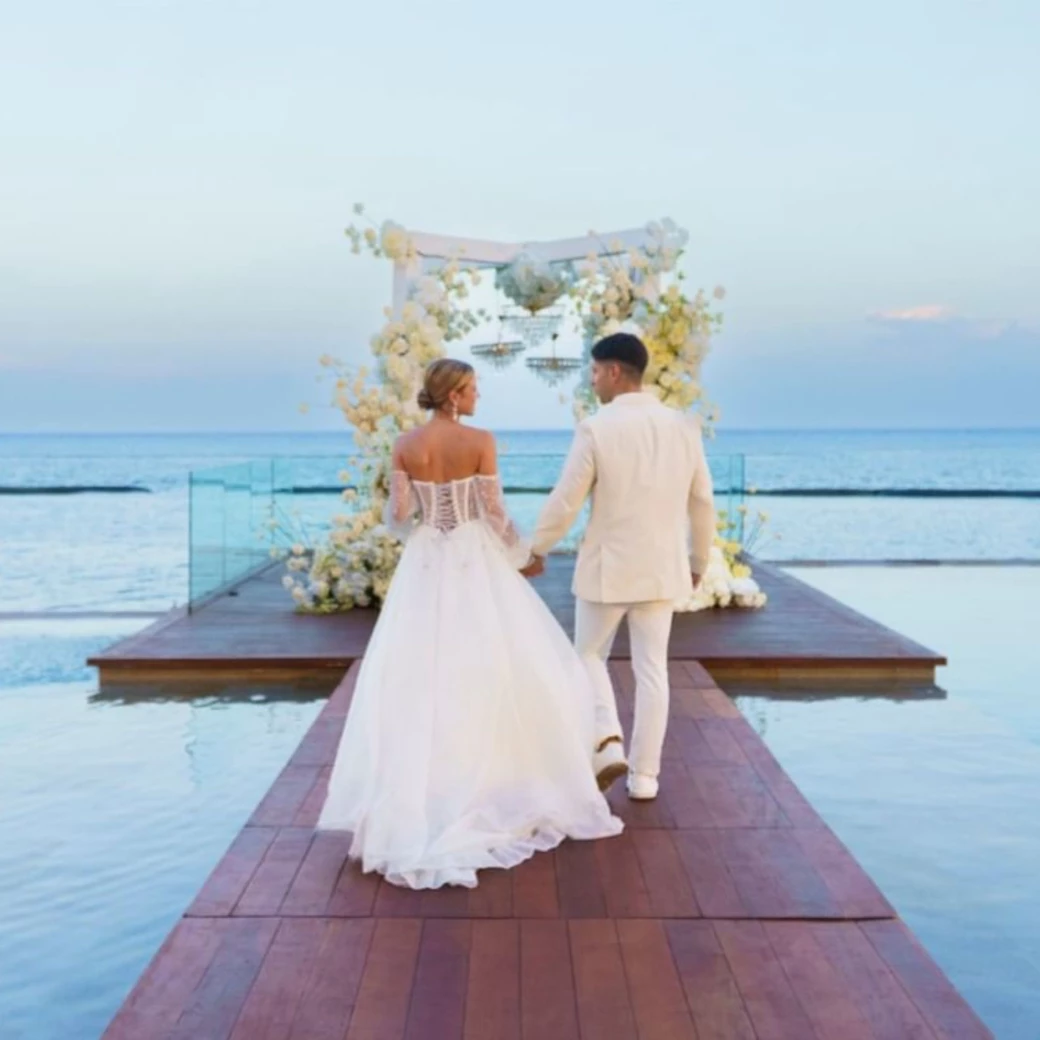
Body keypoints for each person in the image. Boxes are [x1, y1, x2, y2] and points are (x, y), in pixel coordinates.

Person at [317, 358, 621, 890]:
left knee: (420, 673)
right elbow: (493, 512)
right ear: (454, 395)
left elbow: (398, 519)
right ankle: (492, 781)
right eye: (473, 388)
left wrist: (421, 515)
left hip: (425, 561)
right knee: (492, 663)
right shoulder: (481, 441)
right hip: (473, 558)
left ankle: (425, 791)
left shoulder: (405, 444)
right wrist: (523, 555)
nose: (479, 395)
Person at [529, 332, 716, 801]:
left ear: (614, 371)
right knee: (652, 671)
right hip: (662, 567)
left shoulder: (596, 428)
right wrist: (698, 559)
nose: (591, 381)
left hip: (607, 568)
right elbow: (702, 501)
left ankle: (608, 739)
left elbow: (567, 499)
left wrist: (537, 547)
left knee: (587, 657)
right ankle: (645, 778)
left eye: (594, 371)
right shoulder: (684, 427)